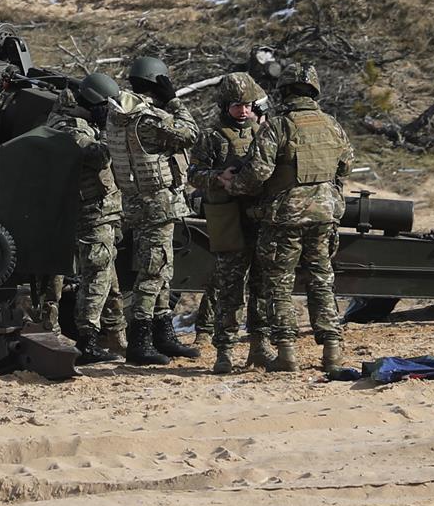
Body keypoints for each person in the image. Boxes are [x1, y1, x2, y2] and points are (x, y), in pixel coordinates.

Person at [233, 63, 353, 374]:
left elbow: (257, 173)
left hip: (285, 218)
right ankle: (332, 350)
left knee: (279, 286)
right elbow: (345, 168)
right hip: (325, 215)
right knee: (322, 281)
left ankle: (286, 353)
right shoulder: (333, 125)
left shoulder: (278, 127)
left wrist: (232, 184)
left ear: (284, 92)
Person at [105, 57, 201, 365]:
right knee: (153, 271)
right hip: (156, 203)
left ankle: (163, 334)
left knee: (162, 267)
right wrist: (174, 100)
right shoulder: (147, 119)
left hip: (136, 200)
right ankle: (140, 339)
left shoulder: (118, 114)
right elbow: (190, 133)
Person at [189, 72, 271, 374]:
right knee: (228, 288)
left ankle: (260, 344)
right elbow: (193, 174)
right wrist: (217, 178)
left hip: (259, 216)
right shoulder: (211, 136)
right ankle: (224, 349)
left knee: (262, 286)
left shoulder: (264, 132)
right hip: (227, 217)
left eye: (248, 105)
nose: (244, 111)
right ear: (225, 106)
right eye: (237, 105)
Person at [67, 72, 124, 365]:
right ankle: (87, 341)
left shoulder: (86, 124)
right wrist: (106, 129)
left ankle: (115, 336)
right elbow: (100, 157)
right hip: (91, 215)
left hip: (105, 213)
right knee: (96, 276)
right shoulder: (74, 129)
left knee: (109, 280)